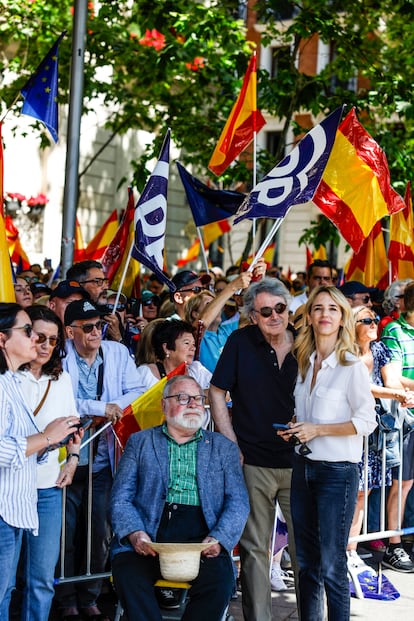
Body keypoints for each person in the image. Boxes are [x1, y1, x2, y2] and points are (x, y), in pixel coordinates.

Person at [110, 375, 250, 621]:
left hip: (203, 537)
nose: (194, 404)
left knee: (220, 582)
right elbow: (121, 498)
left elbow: (238, 502)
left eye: (197, 398)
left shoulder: (223, 448)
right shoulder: (140, 442)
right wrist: (135, 533)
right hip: (150, 535)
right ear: (164, 406)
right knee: (128, 575)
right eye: (183, 398)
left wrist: (218, 539)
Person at [279, 286, 376, 621]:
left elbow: (367, 421)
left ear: (342, 317)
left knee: (332, 564)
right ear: (308, 316)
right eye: (318, 308)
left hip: (337, 473)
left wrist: (318, 429)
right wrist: (296, 425)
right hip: (303, 466)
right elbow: (307, 416)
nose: (324, 314)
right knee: (305, 563)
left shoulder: (351, 365)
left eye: (333, 309)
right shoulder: (305, 362)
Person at [209, 277, 299, 621]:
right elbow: (217, 391)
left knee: (304, 551)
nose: (275, 316)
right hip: (253, 462)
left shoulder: (305, 341)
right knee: (254, 551)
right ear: (252, 315)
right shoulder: (240, 341)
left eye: (280, 309)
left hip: (300, 461)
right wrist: (231, 443)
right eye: (265, 311)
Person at [56, 299, 145, 621]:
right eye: (89, 327)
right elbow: (58, 399)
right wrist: (96, 409)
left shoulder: (117, 352)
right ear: (70, 332)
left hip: (104, 459)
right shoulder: (59, 354)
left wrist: (110, 409)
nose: (97, 332)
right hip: (63, 462)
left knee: (99, 533)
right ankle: (66, 598)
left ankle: (91, 594)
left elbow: (137, 391)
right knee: (64, 535)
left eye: (100, 325)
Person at [0, 303, 80, 618]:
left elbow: (71, 428)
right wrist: (46, 438)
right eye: (32, 333)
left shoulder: (59, 380)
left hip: (42, 487)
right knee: (5, 586)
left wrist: (71, 458)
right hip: (7, 496)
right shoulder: (7, 380)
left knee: (39, 579)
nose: (41, 343)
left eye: (51, 339)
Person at [346, 305, 414, 575]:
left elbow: (391, 381)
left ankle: (350, 551)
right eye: (367, 320)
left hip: (376, 433)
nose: (374, 323)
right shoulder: (344, 353)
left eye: (374, 319)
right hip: (349, 430)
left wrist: (402, 393)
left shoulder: (379, 350)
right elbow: (362, 386)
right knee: (350, 494)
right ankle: (341, 550)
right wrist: (397, 395)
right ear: (352, 325)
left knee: (365, 492)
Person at [381, 281, 414, 572]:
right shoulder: (394, 331)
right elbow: (392, 377)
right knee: (402, 484)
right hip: (407, 419)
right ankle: (394, 545)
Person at [136, 320, 212, 392]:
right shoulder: (146, 373)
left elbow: (217, 392)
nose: (193, 348)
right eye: (187, 343)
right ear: (166, 348)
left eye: (193, 344)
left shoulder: (196, 371)